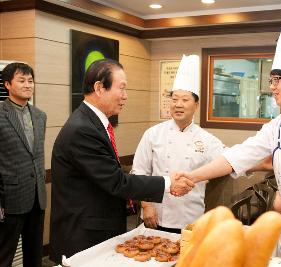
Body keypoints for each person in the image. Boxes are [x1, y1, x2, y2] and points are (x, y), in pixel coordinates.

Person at [177, 18, 281, 265]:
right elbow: (239, 155)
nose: (272, 87)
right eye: (271, 80)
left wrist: (270, 207)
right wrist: (193, 176)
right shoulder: (278, 125)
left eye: (277, 80)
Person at [49, 59, 194, 263]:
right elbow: (117, 182)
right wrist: (169, 183)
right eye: (122, 88)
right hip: (83, 235)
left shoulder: (95, 123)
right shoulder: (82, 129)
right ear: (99, 88)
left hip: (99, 228)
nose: (125, 96)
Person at [131, 55, 225, 233]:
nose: (178, 105)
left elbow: (229, 160)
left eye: (185, 100)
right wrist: (146, 206)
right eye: (174, 99)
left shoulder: (207, 139)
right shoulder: (153, 134)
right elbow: (139, 173)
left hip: (190, 220)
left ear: (196, 105)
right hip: (156, 216)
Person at [0, 62, 47, 267]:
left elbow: (35, 155)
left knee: (34, 256)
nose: (28, 85)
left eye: (30, 80)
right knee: (4, 255)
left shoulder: (40, 116)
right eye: (22, 80)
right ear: (8, 84)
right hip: (9, 199)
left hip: (37, 197)